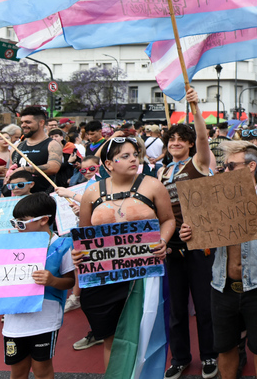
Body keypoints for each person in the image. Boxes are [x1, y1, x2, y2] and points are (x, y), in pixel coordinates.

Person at [78, 136, 175, 370]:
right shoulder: (92, 192)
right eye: (125, 156)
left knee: (146, 335)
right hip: (105, 278)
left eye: (135, 154)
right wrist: (78, 255)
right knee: (111, 337)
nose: (133, 159)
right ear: (109, 164)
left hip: (144, 275)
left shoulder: (152, 185)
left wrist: (162, 241)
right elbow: (83, 236)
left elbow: (168, 220)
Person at [179, 141, 257, 379]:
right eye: (224, 166)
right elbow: (205, 240)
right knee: (225, 347)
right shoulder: (216, 198)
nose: (224, 171)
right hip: (222, 286)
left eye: (230, 166)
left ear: (251, 166)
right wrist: (190, 234)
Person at [0, 193, 76, 379]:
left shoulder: (61, 245)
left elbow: (70, 281)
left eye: (22, 223)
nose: (17, 228)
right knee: (17, 370)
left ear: (44, 220)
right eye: (14, 223)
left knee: (42, 370)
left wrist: (52, 281)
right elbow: (0, 278)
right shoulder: (9, 245)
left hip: (45, 319)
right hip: (14, 320)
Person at [157, 88, 219, 379]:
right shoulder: (161, 172)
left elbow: (205, 138)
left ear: (191, 145)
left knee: (205, 306)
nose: (176, 142)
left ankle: (209, 355)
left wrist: (195, 108)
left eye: (182, 139)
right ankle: (180, 357)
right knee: (177, 308)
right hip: (171, 244)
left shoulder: (199, 164)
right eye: (172, 139)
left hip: (200, 241)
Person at [12, 107, 62, 194]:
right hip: (19, 199)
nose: (23, 125)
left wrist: (25, 169)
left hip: (43, 198)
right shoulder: (17, 146)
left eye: (28, 122)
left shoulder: (52, 145)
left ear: (41, 122)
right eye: (22, 122)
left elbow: (53, 167)